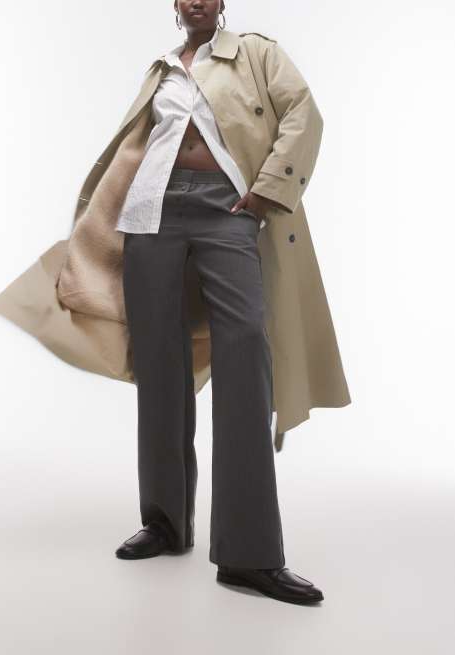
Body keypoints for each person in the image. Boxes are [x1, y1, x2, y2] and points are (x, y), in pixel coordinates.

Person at [114, 1, 324, 605]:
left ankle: (248, 553)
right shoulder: (161, 67)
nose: (197, 0)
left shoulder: (255, 52)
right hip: (151, 213)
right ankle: (165, 521)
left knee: (245, 351)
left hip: (228, 207)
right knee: (159, 365)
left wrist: (267, 191)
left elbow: (303, 113)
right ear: (175, 5)